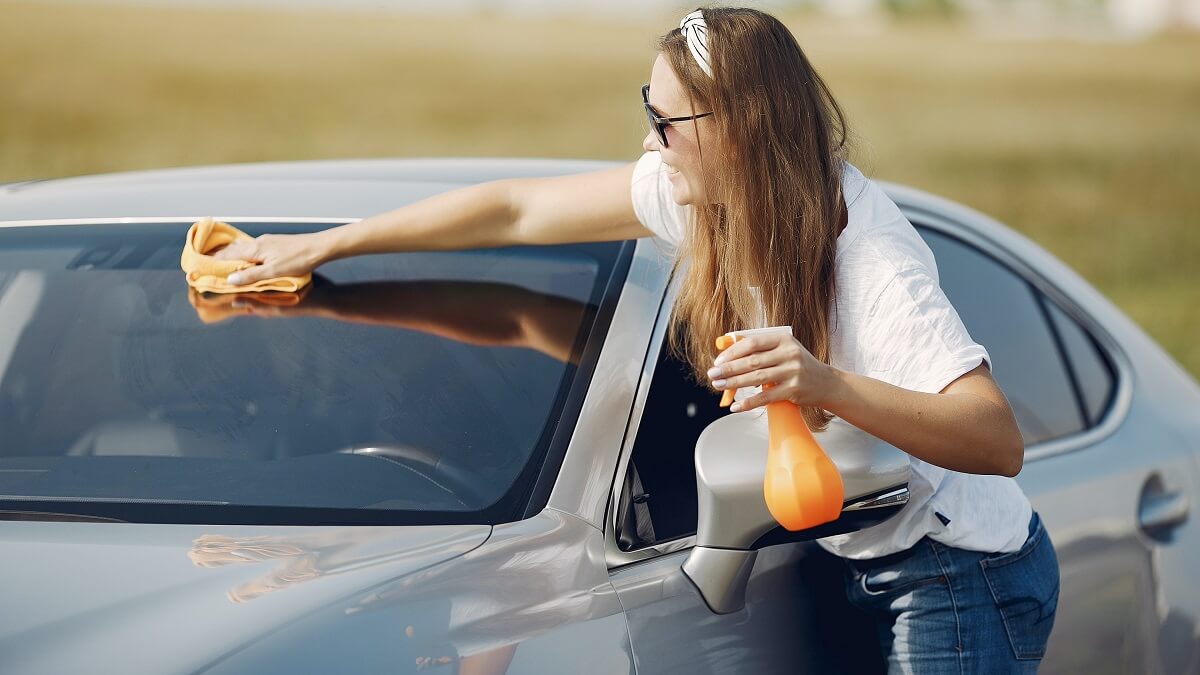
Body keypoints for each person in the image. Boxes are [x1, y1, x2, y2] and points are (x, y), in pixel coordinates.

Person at [216, 6, 1060, 672]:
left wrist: (822, 384)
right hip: (850, 555)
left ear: (738, 128)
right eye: (647, 111)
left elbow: (996, 436)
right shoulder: (701, 194)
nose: (651, 141)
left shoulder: (869, 260)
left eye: (668, 122)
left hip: (958, 572)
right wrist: (325, 246)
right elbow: (515, 209)